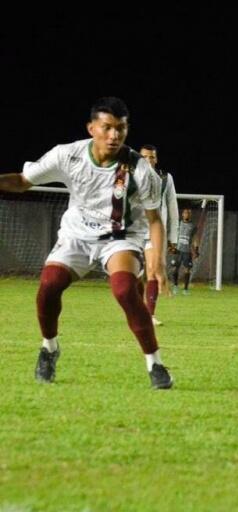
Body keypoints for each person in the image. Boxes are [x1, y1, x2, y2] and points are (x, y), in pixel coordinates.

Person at [0, 97, 174, 389]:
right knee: (49, 285)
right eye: (107, 128)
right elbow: (22, 180)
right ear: (92, 128)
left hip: (121, 237)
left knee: (123, 289)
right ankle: (49, 348)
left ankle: (155, 364)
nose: (114, 135)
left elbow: (154, 219)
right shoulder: (67, 155)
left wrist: (158, 261)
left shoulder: (140, 169)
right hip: (77, 235)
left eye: (120, 128)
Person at [140, 144, 179, 326]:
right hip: (133, 231)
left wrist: (173, 238)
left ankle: (149, 315)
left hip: (154, 233)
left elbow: (172, 208)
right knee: (131, 273)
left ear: (156, 159)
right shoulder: (130, 175)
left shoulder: (165, 178)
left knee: (153, 271)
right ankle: (137, 310)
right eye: (145, 157)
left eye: (152, 157)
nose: (149, 160)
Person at [171, 208, 198, 295]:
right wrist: (172, 247)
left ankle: (186, 289)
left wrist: (196, 249)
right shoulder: (178, 224)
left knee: (187, 270)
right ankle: (175, 286)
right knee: (175, 269)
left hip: (187, 251)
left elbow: (195, 238)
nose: (187, 214)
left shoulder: (193, 226)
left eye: (189, 213)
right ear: (182, 214)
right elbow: (173, 235)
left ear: (190, 215)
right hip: (178, 250)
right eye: (185, 213)